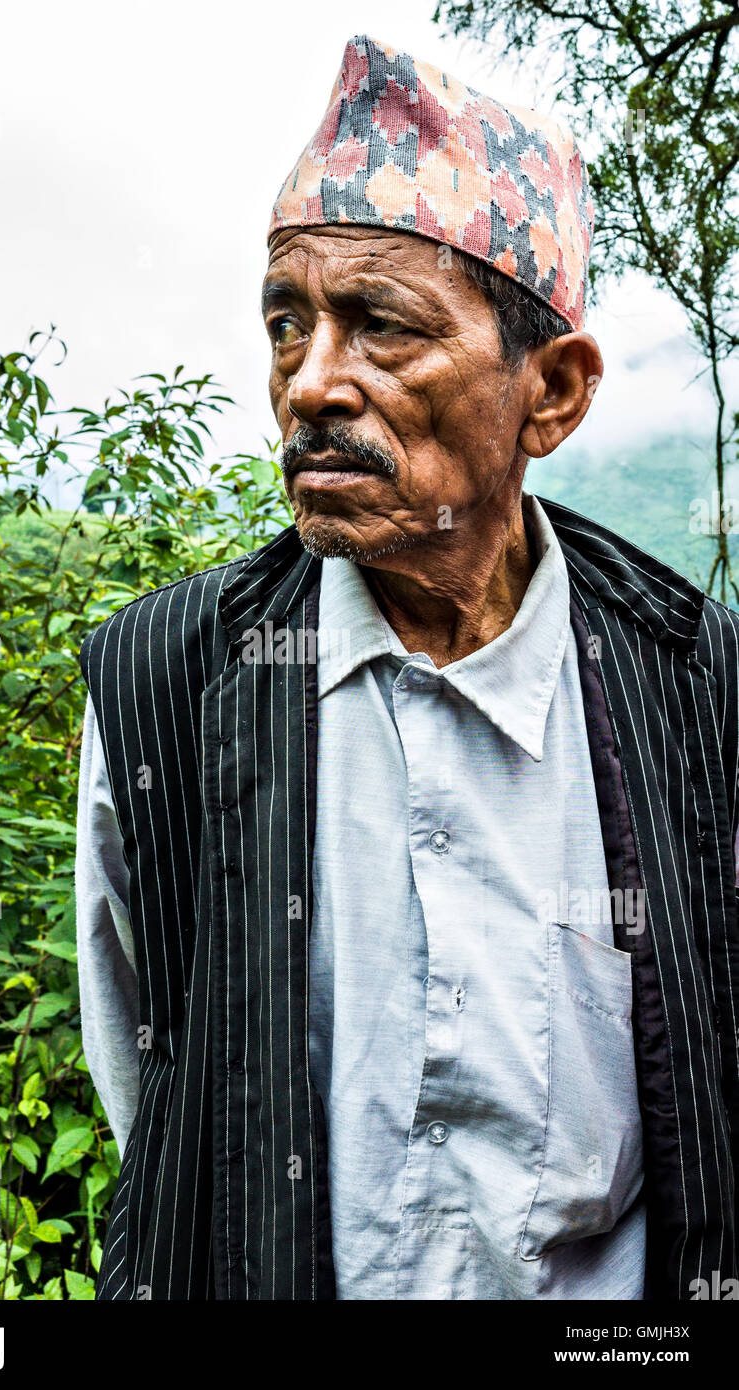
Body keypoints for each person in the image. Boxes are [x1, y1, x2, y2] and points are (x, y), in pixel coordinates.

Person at [75, 33, 739, 1300]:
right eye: (287, 323)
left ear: (551, 393)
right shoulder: (168, 682)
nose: (311, 384)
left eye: (380, 327)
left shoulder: (694, 687)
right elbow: (154, 1086)